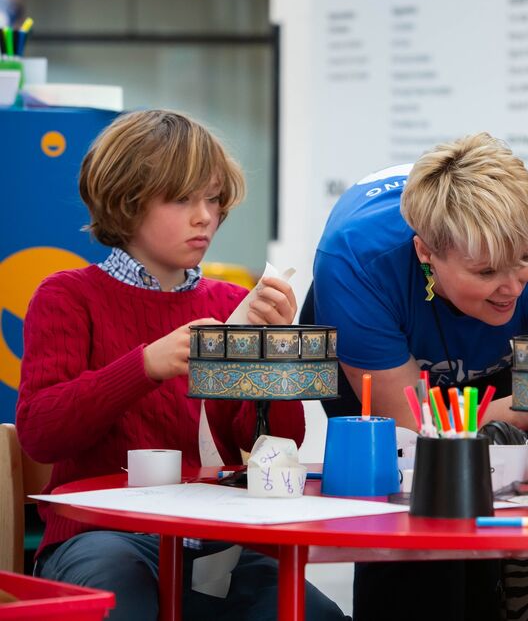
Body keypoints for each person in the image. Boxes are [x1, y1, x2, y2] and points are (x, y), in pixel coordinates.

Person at [16, 110, 346, 621]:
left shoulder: (235, 302)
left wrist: (277, 355)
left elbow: (277, 445)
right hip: (104, 537)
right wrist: (143, 366)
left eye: (214, 199)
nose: (205, 217)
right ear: (125, 202)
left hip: (220, 546)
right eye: (182, 199)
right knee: (118, 592)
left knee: (314, 614)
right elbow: (40, 433)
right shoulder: (67, 297)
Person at [313, 132, 528, 620]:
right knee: (417, 538)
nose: (511, 286)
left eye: (523, 260)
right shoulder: (356, 260)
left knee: (499, 547)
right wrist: (522, 407)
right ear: (427, 252)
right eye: (487, 270)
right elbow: (411, 421)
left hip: (498, 380)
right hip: (389, 382)